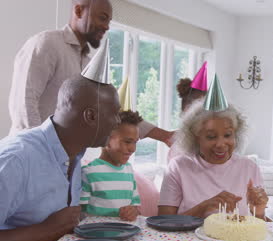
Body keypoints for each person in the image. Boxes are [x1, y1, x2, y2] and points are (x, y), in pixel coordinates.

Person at [8, 0, 173, 146]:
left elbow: (113, 112)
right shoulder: (48, 44)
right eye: (102, 18)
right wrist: (39, 149)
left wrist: (165, 136)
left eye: (109, 21)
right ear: (79, 11)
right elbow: (23, 101)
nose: (107, 26)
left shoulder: (88, 64)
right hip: (29, 153)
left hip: (61, 159)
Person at [0, 74, 121, 241]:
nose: (117, 122)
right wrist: (43, 231)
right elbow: (51, 229)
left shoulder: (75, 155)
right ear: (90, 116)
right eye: (115, 113)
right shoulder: (15, 161)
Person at [158, 75, 268, 219]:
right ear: (196, 137)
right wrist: (204, 207)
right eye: (211, 137)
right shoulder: (178, 167)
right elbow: (164, 221)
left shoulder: (249, 167)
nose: (221, 144)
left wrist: (258, 210)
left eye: (228, 135)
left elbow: (259, 224)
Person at [80, 110, 142, 221]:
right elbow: (79, 213)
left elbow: (135, 207)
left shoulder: (129, 170)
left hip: (125, 233)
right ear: (106, 139)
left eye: (135, 142)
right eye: (127, 142)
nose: (133, 149)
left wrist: (133, 211)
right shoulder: (89, 172)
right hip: (99, 235)